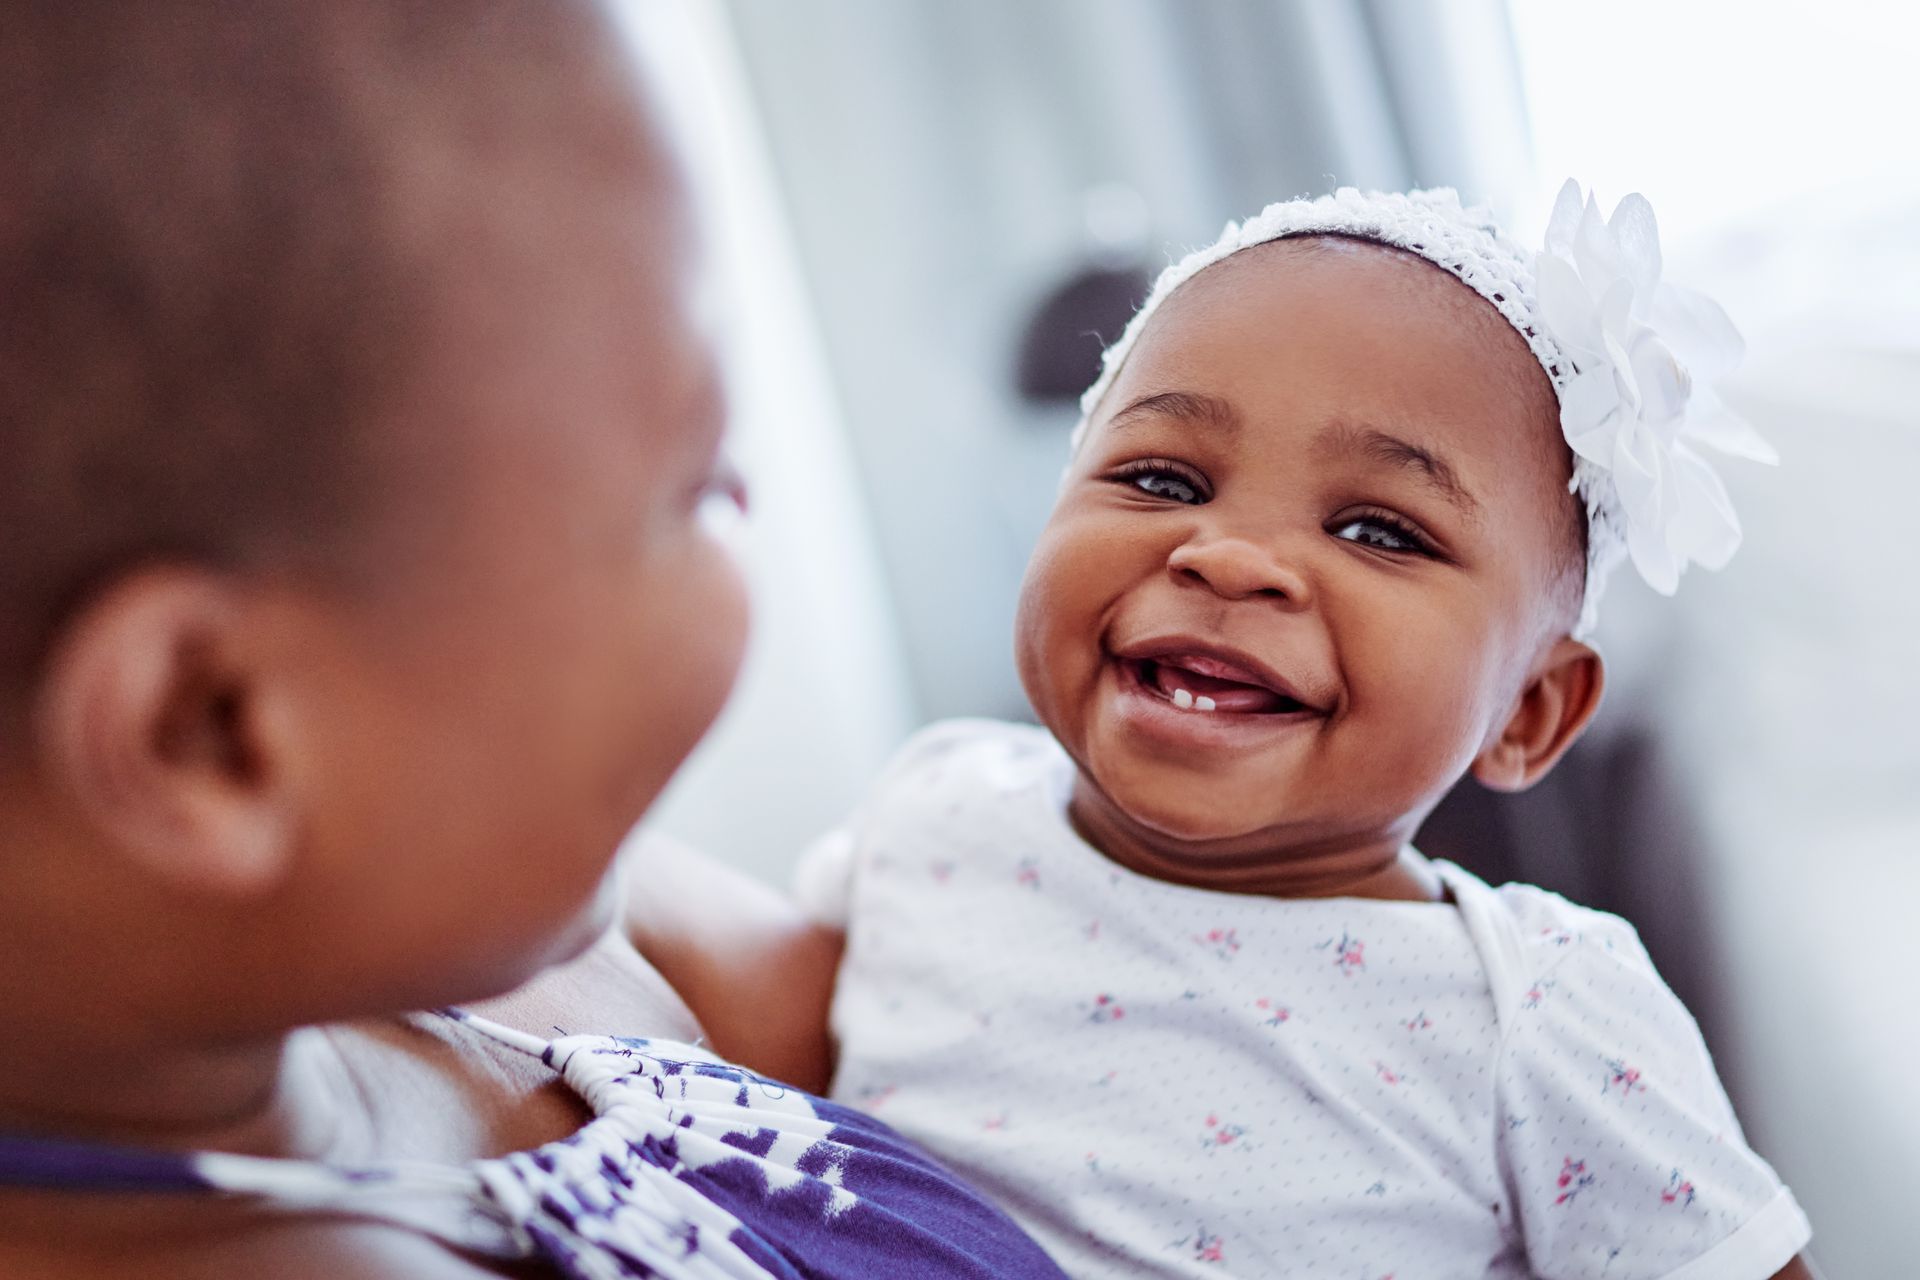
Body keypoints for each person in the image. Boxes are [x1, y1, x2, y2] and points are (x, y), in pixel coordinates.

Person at [0, 3, 1070, 1277]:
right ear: (215, 728)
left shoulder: (497, 924)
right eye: (695, 479)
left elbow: (1024, 1022)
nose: (750, 507)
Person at [635, 187, 1822, 1278]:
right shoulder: (942, 809)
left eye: (1378, 529)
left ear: (1528, 709)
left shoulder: (1539, 1012)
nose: (1230, 554)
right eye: (1161, 479)